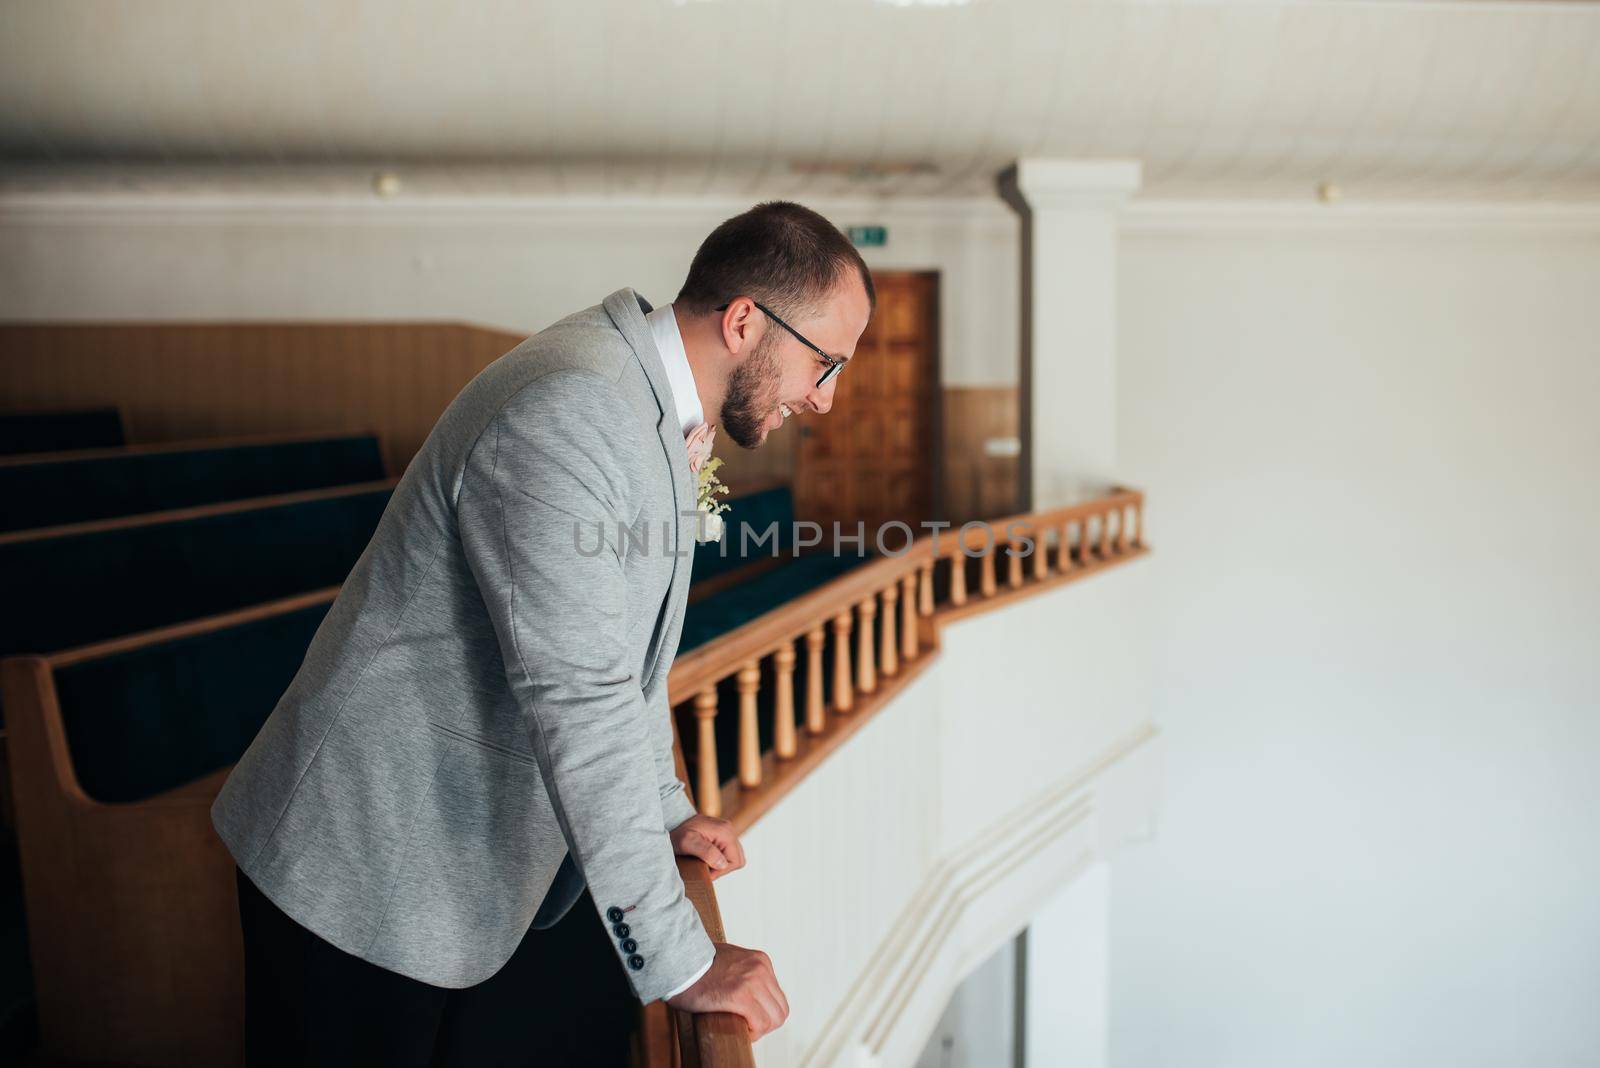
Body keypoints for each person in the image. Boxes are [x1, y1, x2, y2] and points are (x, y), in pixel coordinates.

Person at [211, 200, 875, 1064]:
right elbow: (580, 696)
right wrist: (682, 959)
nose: (824, 399)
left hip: (448, 864)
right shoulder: (574, 407)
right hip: (366, 869)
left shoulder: (643, 394)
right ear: (745, 321)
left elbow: (622, 656)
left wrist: (663, 807)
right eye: (824, 364)